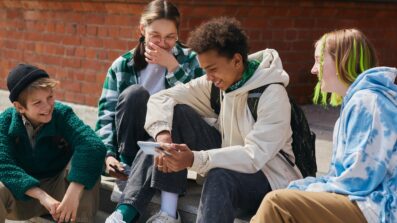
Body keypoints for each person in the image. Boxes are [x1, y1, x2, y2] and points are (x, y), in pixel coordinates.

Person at [106, 17, 302, 223]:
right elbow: (160, 98)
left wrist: (194, 159)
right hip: (225, 156)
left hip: (267, 178)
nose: (207, 77)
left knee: (220, 175)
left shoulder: (272, 93)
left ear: (236, 61)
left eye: (212, 69)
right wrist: (163, 137)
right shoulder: (215, 84)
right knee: (175, 114)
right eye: (205, 70)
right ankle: (132, 213)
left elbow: (254, 156)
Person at [250, 29, 397, 223]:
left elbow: (358, 180)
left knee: (277, 202)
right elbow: (343, 176)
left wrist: (306, 188)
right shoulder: (360, 101)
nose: (313, 69)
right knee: (285, 198)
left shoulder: (368, 102)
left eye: (319, 60)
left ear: (341, 61)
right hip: (364, 201)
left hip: (378, 207)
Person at [95, 0, 203, 185]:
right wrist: (108, 155)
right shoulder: (122, 65)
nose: (162, 43)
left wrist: (172, 66)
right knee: (135, 94)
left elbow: (201, 104)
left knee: (177, 108)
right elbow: (106, 116)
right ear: (142, 30)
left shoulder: (192, 60)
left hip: (172, 140)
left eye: (170, 36)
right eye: (155, 35)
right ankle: (127, 168)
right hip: (133, 142)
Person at [0, 64, 106, 223]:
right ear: (19, 107)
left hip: (61, 191)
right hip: (25, 196)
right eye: (37, 103)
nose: (48, 106)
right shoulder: (6, 121)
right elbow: (3, 164)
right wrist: (42, 196)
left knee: (87, 165)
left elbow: (93, 145)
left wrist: (73, 192)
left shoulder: (62, 114)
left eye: (49, 97)